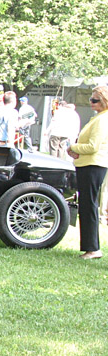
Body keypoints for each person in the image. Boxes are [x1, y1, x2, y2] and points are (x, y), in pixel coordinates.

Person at [67, 86, 108, 259]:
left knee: (89, 205)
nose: (91, 102)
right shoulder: (98, 118)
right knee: (86, 204)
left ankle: (93, 248)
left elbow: (93, 146)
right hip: (88, 164)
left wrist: (73, 147)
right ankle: (90, 247)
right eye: (91, 99)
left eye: (95, 100)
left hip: (93, 165)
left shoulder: (102, 119)